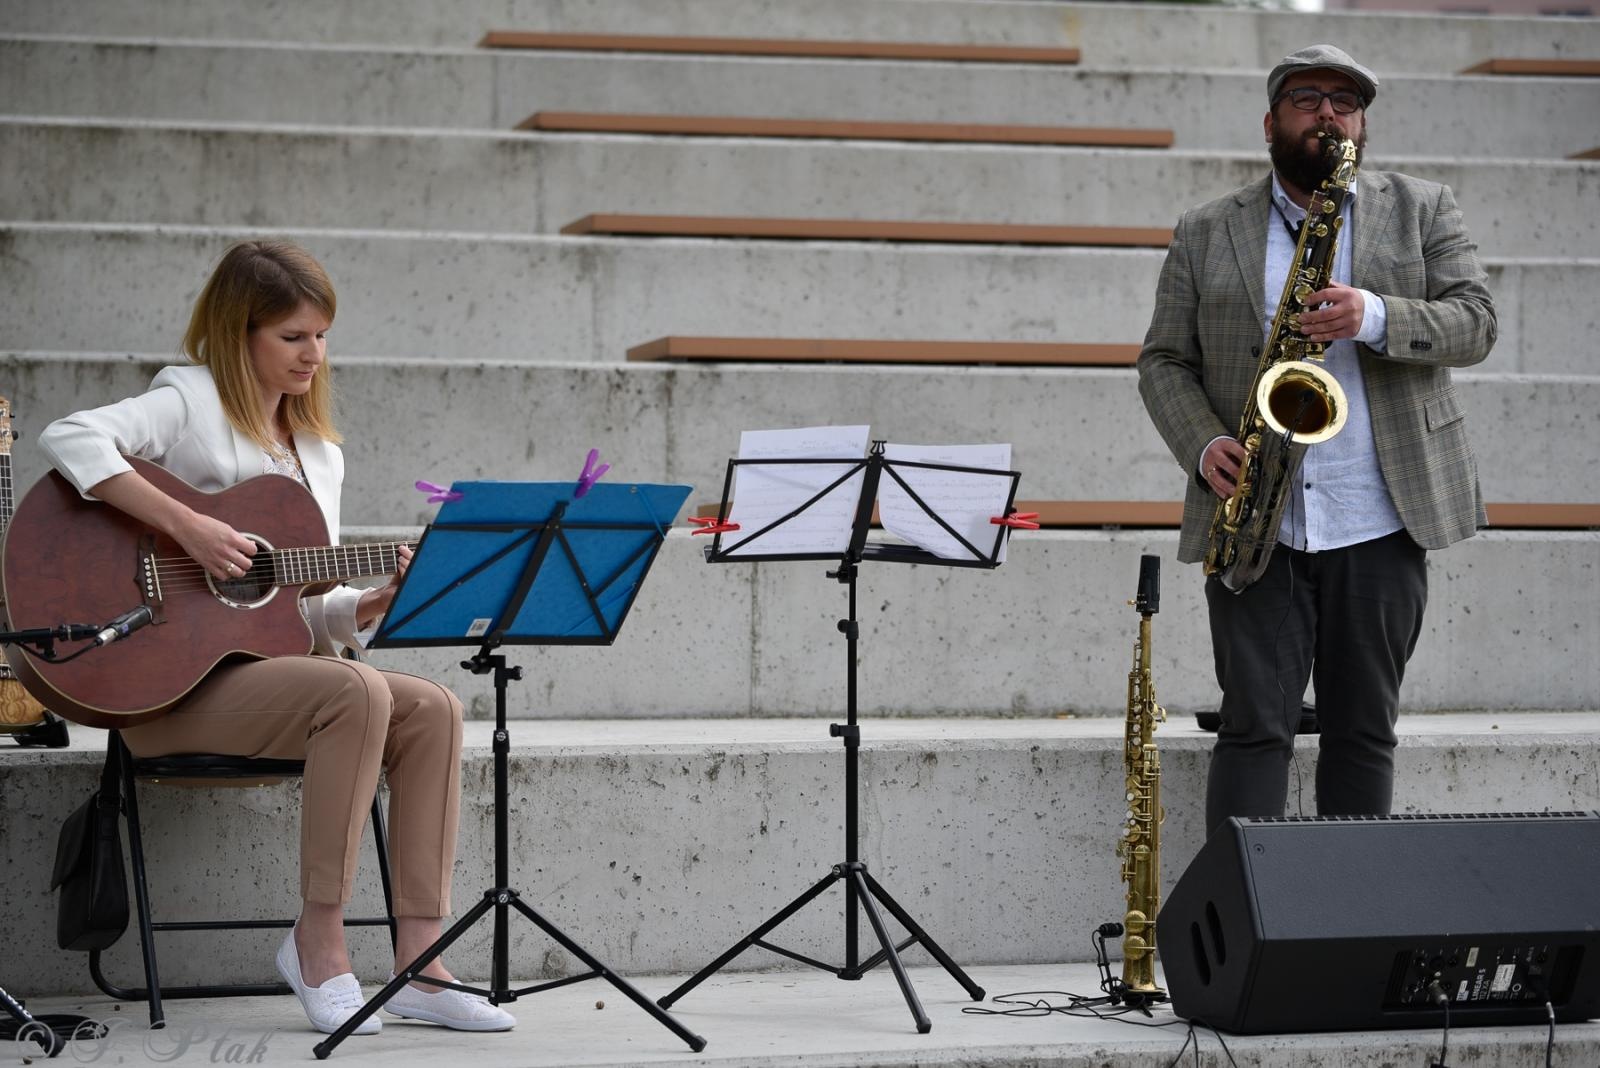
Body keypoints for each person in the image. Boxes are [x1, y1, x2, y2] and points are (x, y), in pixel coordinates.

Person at [37, 241, 515, 1034]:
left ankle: (421, 962)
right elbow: (71, 436)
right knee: (355, 689)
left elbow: (295, 609)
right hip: (163, 687)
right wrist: (188, 525)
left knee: (433, 707)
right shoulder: (188, 401)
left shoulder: (317, 451)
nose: (313, 355)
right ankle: (317, 939)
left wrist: (368, 604)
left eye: (322, 336)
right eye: (293, 337)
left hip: (265, 676)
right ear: (239, 332)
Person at [1136, 46, 1496, 836]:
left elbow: (1477, 324)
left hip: (1382, 510)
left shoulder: (1423, 208)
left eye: (1347, 101)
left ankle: (1351, 939)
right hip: (1259, 514)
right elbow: (1164, 361)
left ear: (1362, 125)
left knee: (1364, 733)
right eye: (1308, 99)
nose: (1328, 114)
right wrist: (1203, 447)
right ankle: (1243, 943)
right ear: (1272, 123)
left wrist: (1373, 315)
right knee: (1253, 731)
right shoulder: (1205, 231)